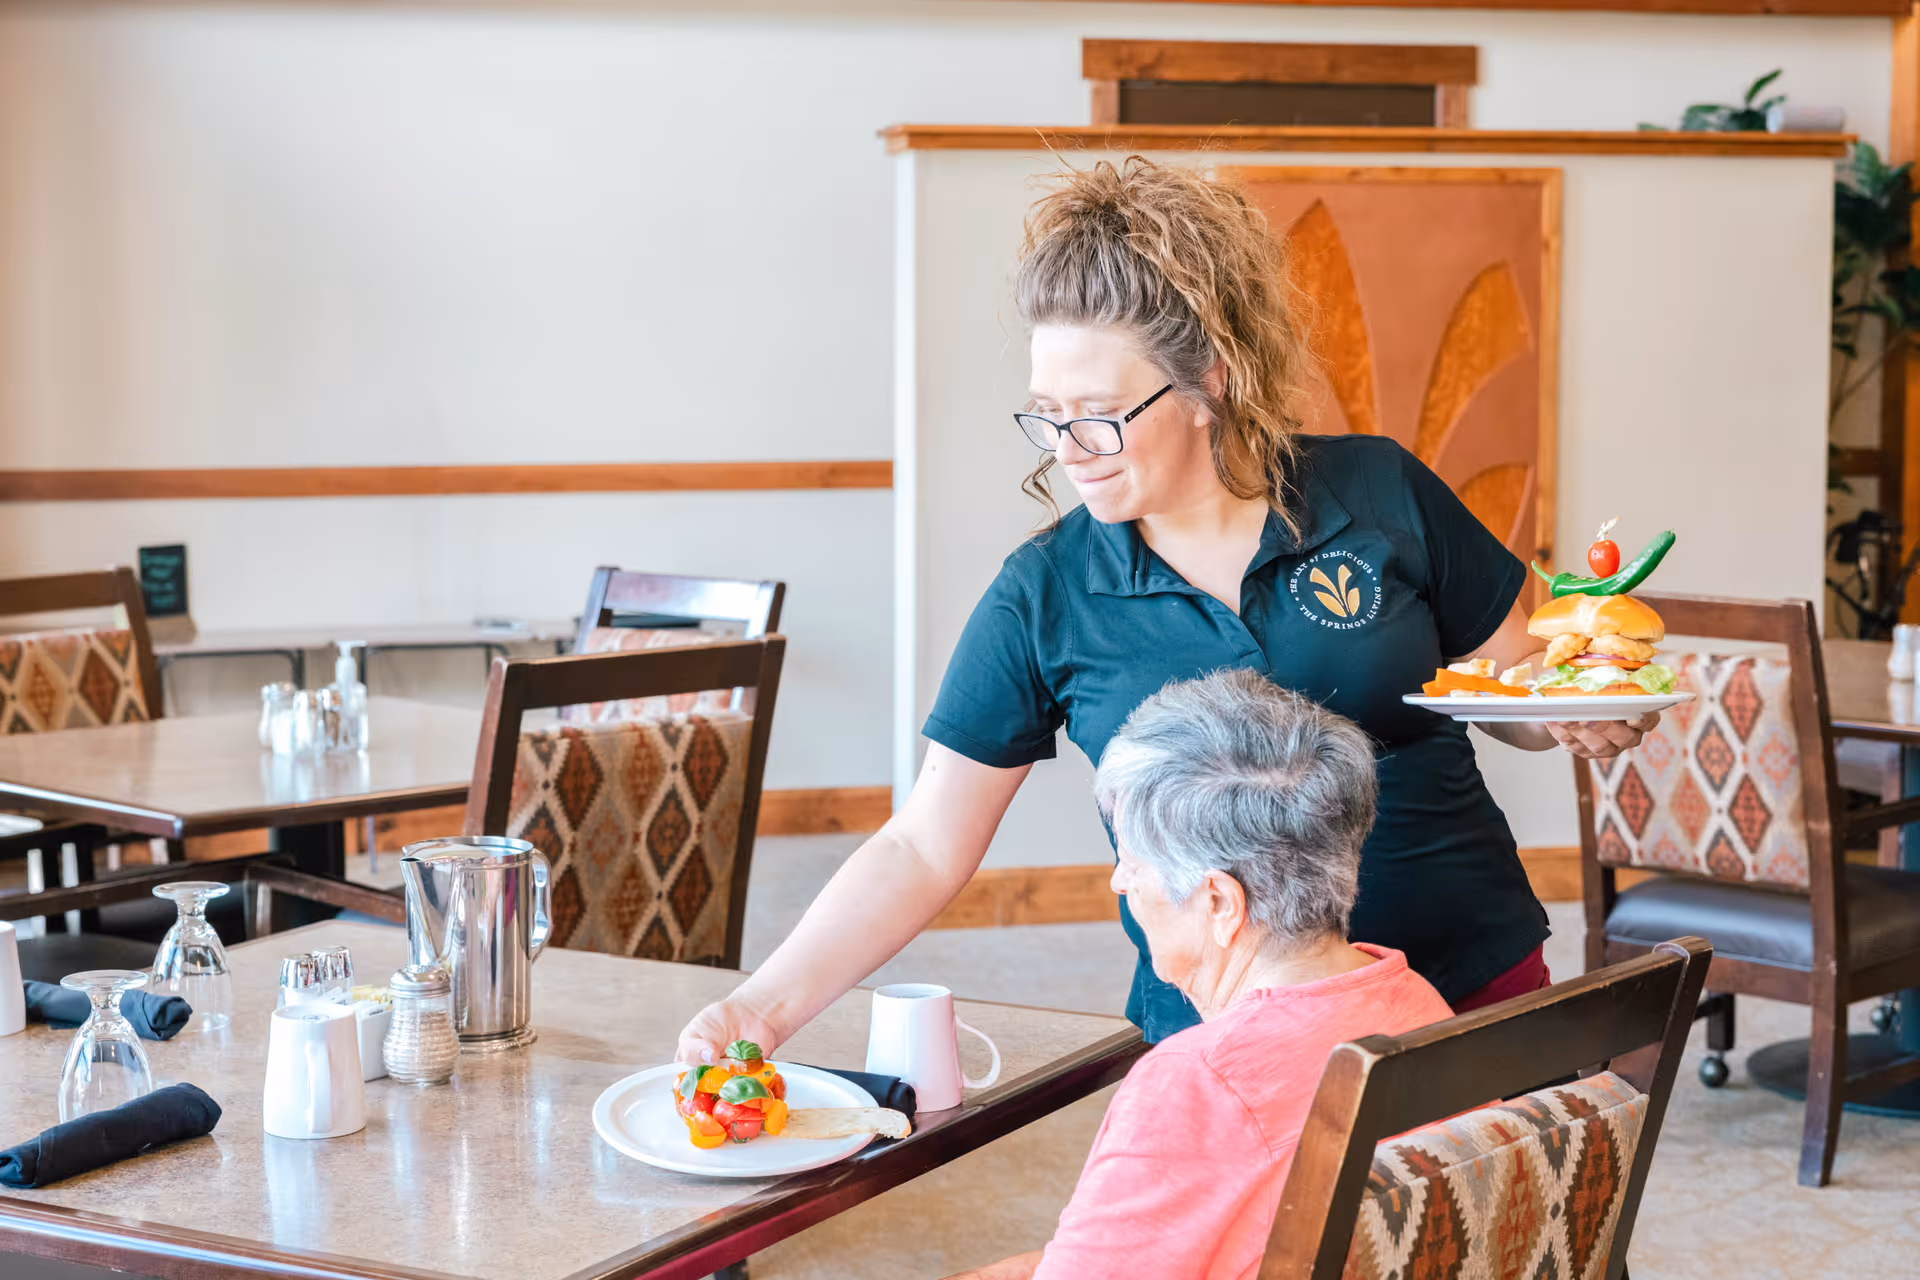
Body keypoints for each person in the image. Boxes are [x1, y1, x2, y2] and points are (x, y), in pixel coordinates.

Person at [678, 156, 1653, 1065]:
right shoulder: (1048, 591)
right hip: (1223, 1031)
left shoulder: (1378, 489)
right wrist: (760, 1008)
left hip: (1465, 978)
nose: (1068, 445)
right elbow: (924, 843)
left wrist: (1577, 709)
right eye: (1046, 412)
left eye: (1098, 410)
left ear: (1208, 380)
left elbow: (1516, 680)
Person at [950, 669, 1453, 1280]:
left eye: (1132, 861)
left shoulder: (1198, 1082)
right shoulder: (1415, 1002)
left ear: (1219, 903)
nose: (1119, 881)